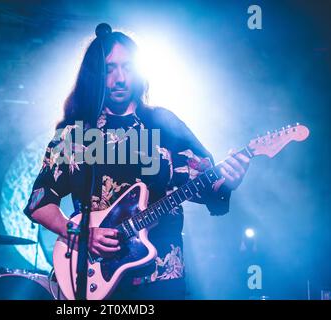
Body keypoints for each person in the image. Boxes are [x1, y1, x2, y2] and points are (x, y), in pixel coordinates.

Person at [23, 26, 249, 300]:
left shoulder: (163, 124)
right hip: (95, 275)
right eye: (110, 69)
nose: (120, 78)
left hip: (161, 273)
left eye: (128, 67)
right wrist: (83, 236)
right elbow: (40, 201)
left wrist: (229, 180)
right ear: (95, 75)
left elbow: (207, 186)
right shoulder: (76, 133)